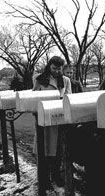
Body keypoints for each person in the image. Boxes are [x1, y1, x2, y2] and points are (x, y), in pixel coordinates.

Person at [32, 56, 72, 186]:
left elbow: (69, 98)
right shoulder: (40, 79)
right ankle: (44, 178)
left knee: (58, 150)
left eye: (59, 69)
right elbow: (34, 96)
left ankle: (56, 175)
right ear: (49, 66)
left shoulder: (65, 80)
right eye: (54, 68)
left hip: (59, 118)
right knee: (44, 148)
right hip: (45, 118)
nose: (56, 71)